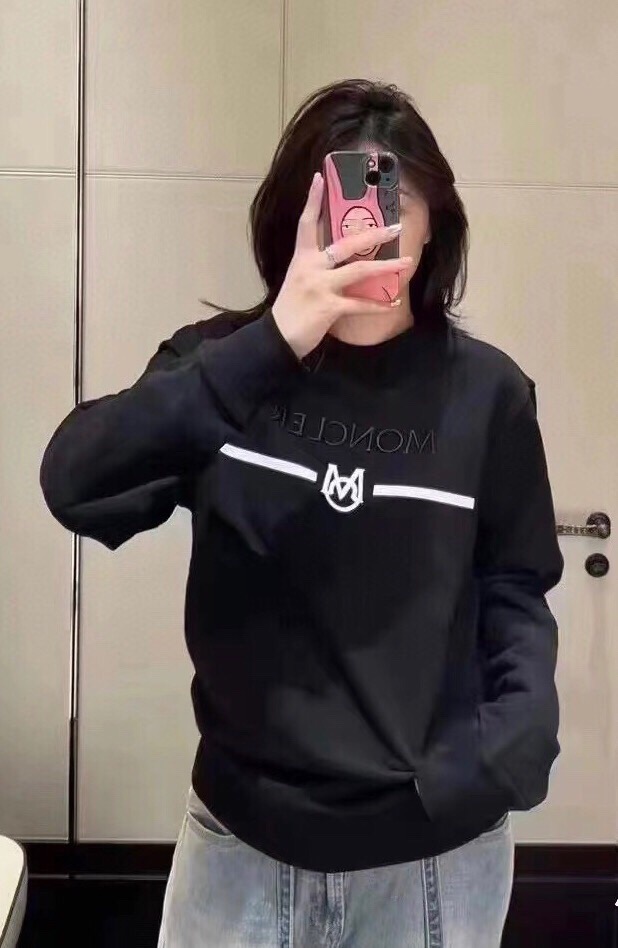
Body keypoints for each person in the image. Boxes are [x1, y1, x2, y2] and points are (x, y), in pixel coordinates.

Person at [39, 79, 564, 947]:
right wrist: (273, 343)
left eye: (393, 201)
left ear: (433, 224)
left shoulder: (487, 396)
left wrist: (507, 751)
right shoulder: (220, 369)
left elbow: (516, 586)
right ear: (299, 217)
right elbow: (75, 483)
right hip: (240, 844)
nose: (368, 229)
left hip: (432, 859)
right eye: (344, 204)